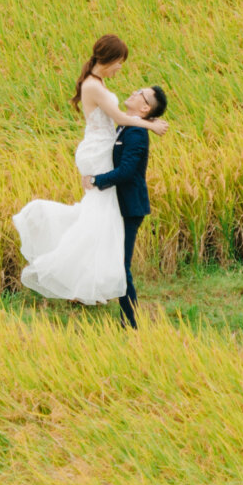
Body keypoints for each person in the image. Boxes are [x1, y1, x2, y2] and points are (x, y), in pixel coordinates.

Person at [11, 34, 167, 307]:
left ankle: (94, 280)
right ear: (108, 60)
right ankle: (90, 278)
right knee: (98, 217)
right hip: (97, 150)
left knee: (95, 218)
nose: (121, 68)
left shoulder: (99, 81)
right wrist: (150, 124)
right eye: (119, 62)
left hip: (101, 147)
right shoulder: (93, 85)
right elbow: (118, 118)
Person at [93, 85, 166, 327]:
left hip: (130, 208)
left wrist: (96, 181)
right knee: (113, 262)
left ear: (145, 108)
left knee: (120, 266)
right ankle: (125, 316)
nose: (133, 92)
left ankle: (132, 322)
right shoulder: (126, 125)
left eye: (140, 94)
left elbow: (127, 171)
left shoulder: (135, 133)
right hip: (118, 205)